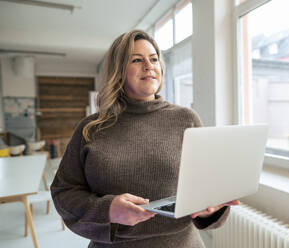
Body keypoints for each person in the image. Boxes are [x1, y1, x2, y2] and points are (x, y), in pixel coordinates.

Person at [50, 30, 239, 248]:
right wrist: (108, 209)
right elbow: (64, 191)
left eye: (154, 59)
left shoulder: (186, 119)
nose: (149, 66)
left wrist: (210, 206)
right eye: (137, 60)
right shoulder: (91, 128)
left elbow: (205, 185)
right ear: (119, 71)